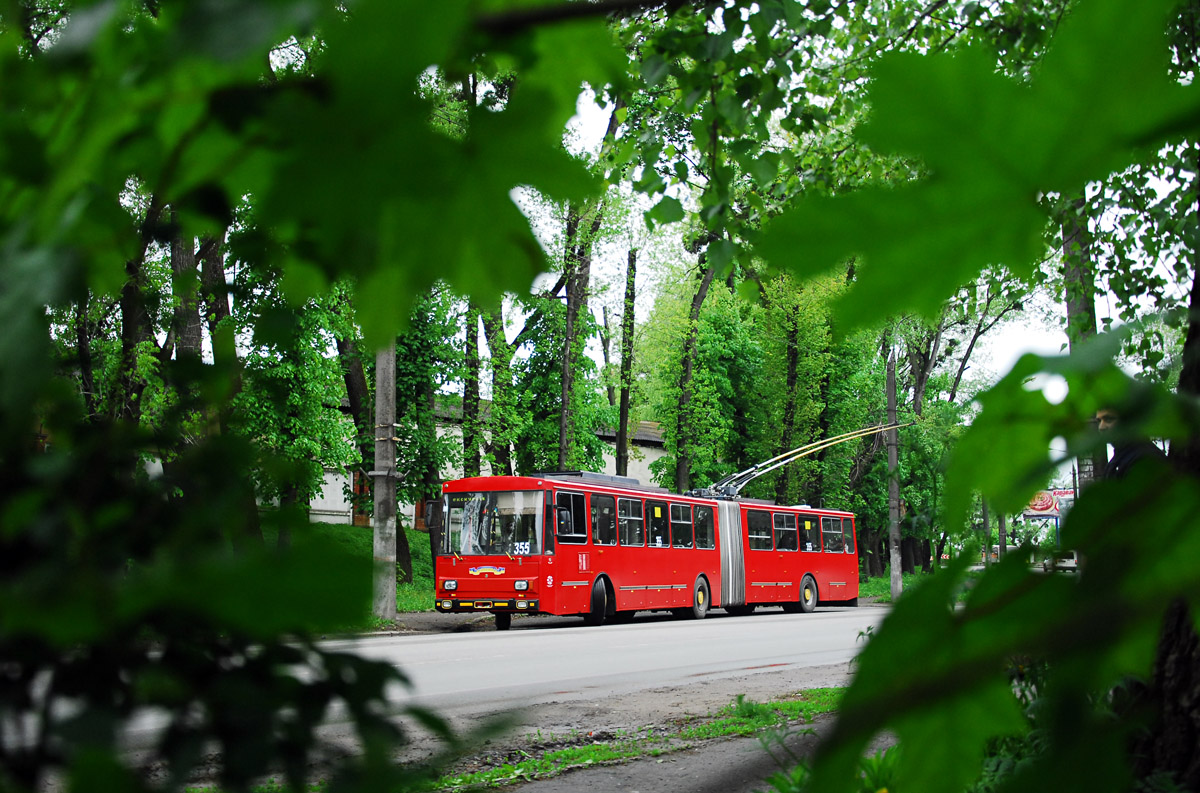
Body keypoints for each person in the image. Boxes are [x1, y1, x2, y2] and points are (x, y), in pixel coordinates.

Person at [1096, 408, 1168, 479]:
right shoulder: (1121, 456)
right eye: (1099, 421)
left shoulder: (1146, 459)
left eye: (1109, 420)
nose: (1101, 427)